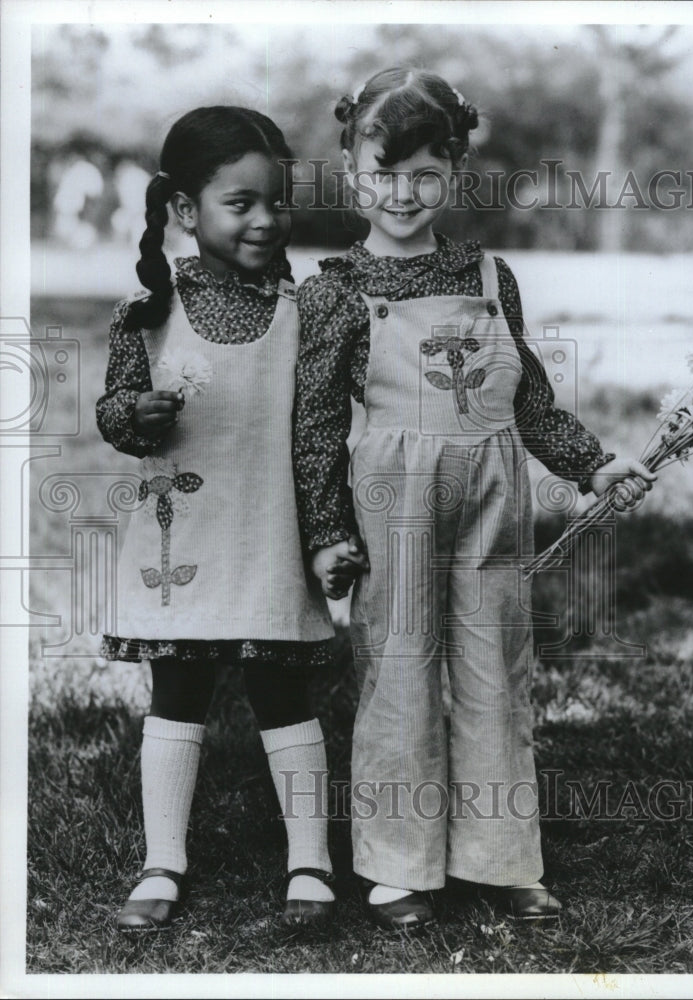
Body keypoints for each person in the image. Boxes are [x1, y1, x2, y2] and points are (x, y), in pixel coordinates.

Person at [293, 68, 656, 932]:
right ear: (352, 171)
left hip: (493, 494)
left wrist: (590, 465)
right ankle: (396, 865)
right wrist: (327, 532)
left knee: (496, 668)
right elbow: (312, 424)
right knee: (398, 673)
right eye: (384, 172)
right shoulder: (335, 289)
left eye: (425, 172)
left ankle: (503, 859)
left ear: (454, 171)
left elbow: (525, 396)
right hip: (394, 502)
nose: (403, 193)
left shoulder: (489, 275)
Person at [97, 106, 366, 933]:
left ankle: (311, 863)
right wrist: (135, 413)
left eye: (275, 203)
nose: (264, 219)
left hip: (270, 537)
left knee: (282, 693)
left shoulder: (306, 312)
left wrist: (328, 535)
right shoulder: (147, 311)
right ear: (184, 210)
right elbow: (113, 416)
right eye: (239, 203)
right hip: (182, 541)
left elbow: (319, 434)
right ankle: (162, 861)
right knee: (177, 692)